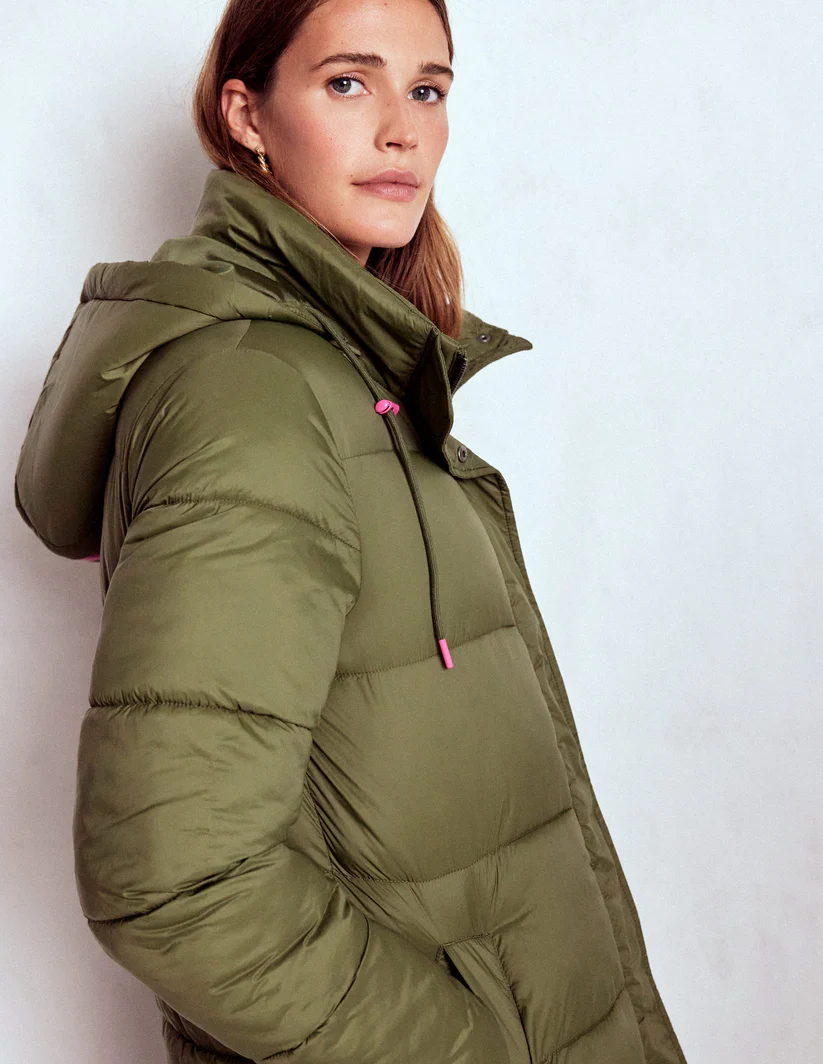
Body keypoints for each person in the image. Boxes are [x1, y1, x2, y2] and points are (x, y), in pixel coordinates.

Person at [13, 0, 688, 1061]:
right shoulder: (252, 394)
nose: (403, 129)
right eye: (347, 82)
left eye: (427, 88)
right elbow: (173, 877)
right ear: (246, 114)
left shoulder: (351, 369)